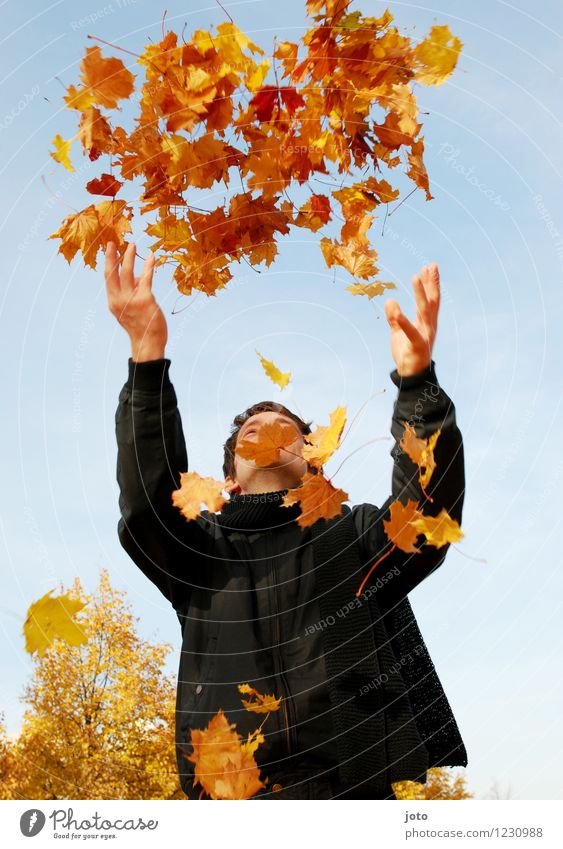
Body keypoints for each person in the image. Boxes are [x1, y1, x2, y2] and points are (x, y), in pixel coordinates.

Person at [107, 241, 467, 800]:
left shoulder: (354, 537)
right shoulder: (198, 554)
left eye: (285, 429)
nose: (267, 429)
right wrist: (147, 358)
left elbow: (425, 514)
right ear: (230, 479)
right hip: (232, 805)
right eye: (252, 431)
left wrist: (417, 386)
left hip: (354, 800)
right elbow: (148, 500)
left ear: (313, 465)